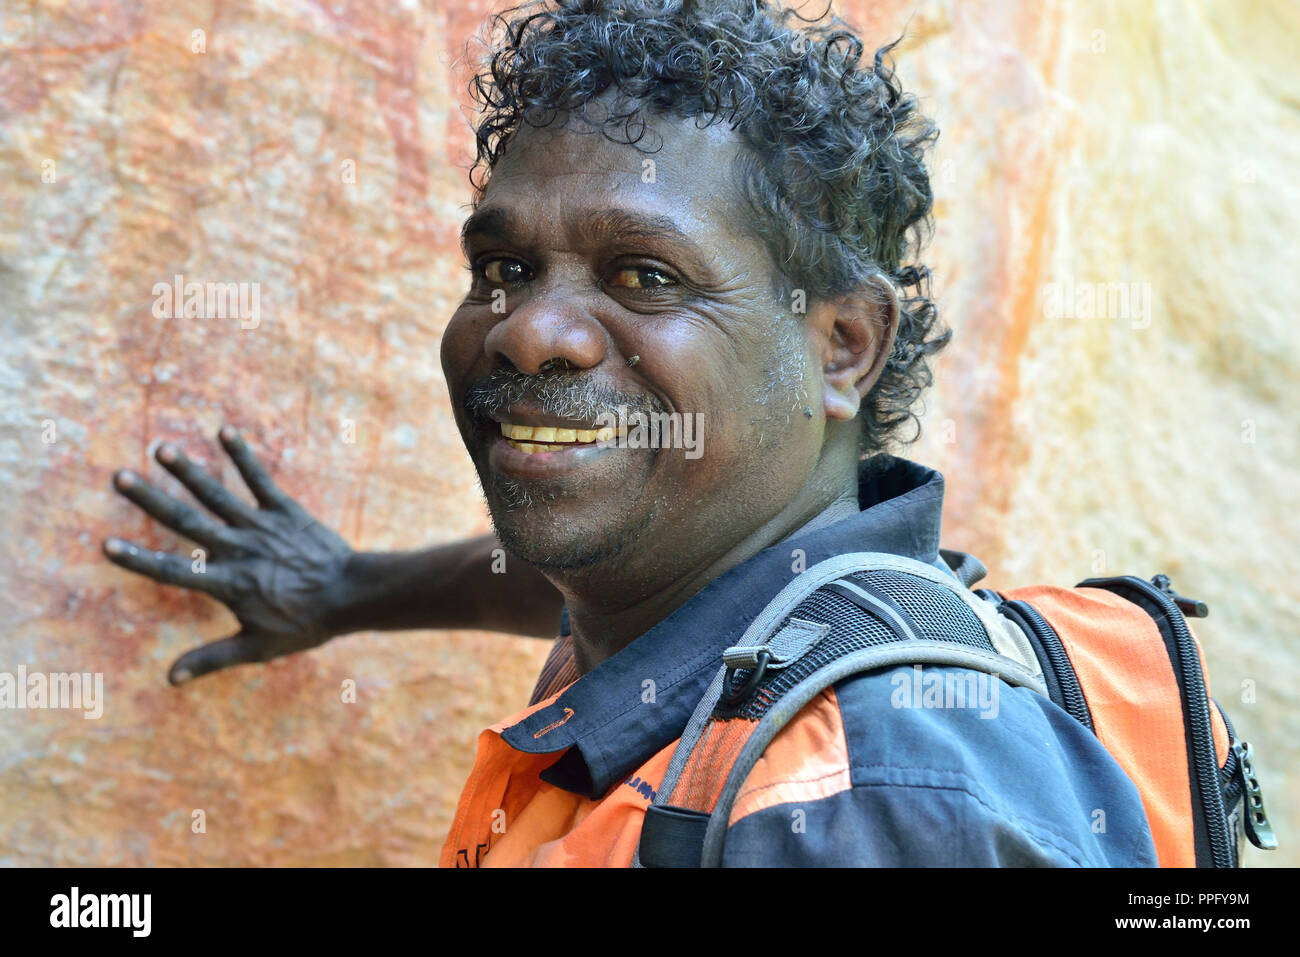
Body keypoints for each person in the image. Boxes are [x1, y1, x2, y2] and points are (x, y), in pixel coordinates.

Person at [103, 0, 1158, 866]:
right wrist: (351, 592)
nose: (528, 332)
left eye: (645, 276)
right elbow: (595, 586)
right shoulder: (723, 598)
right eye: (502, 271)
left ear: (841, 346)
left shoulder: (858, 806)